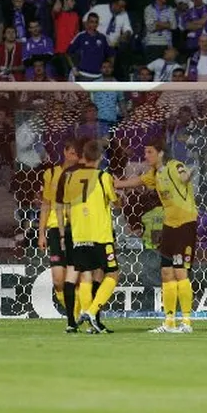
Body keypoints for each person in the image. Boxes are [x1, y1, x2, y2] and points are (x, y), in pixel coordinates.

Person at [115, 138, 197, 334]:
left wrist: (187, 176)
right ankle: (169, 322)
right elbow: (139, 181)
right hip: (169, 225)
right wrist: (119, 183)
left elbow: (184, 175)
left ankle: (186, 323)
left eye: (149, 152)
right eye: (145, 152)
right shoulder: (154, 173)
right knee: (166, 272)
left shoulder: (174, 165)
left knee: (180, 272)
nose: (146, 156)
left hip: (185, 223)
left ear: (160, 153)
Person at [55, 139, 119, 334]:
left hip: (78, 234)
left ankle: (87, 321)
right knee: (112, 274)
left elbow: (63, 204)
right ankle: (91, 312)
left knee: (86, 275)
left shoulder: (70, 177)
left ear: (83, 155)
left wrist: (63, 231)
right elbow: (115, 202)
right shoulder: (103, 176)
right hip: (100, 235)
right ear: (100, 157)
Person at [38, 139, 80, 325]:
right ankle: (76, 313)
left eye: (77, 154)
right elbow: (46, 204)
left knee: (78, 278)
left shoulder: (83, 176)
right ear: (65, 152)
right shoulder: (51, 174)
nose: (74, 156)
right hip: (55, 228)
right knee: (58, 280)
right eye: (72, 152)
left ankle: (76, 317)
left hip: (77, 228)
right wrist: (41, 233)